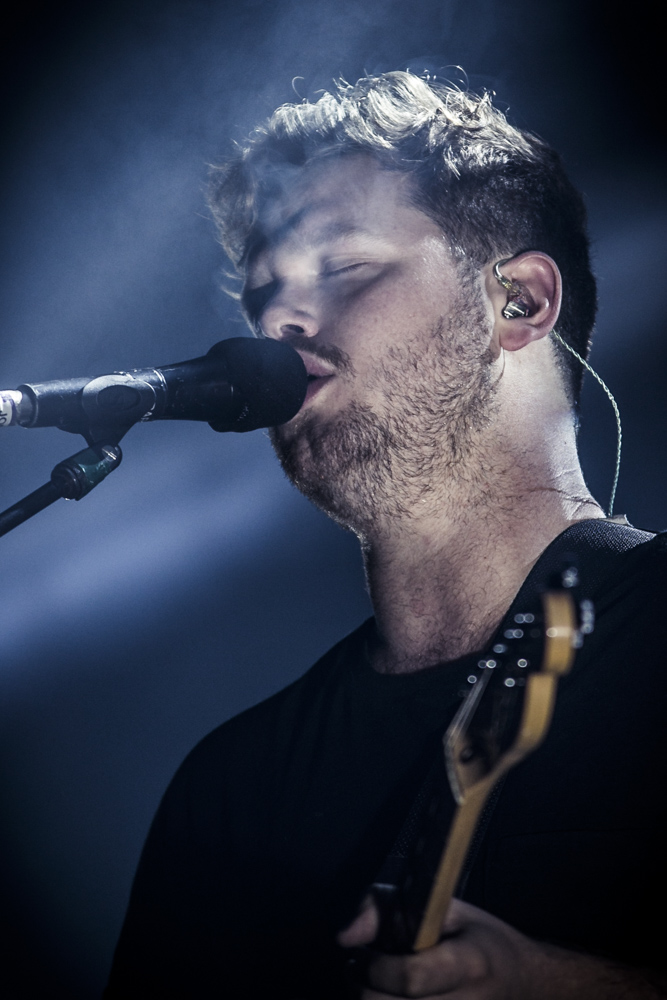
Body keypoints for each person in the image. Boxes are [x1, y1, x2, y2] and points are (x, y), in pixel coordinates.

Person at [105, 72, 667, 998]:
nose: (277, 325)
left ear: (519, 301)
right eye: (262, 301)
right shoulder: (230, 788)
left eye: (345, 268)